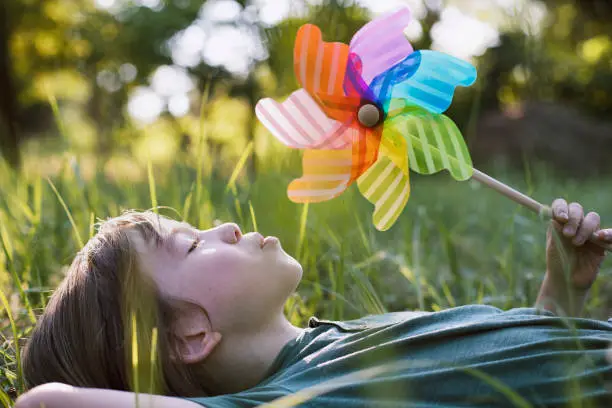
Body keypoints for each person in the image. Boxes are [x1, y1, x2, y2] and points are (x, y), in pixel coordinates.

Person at [14, 198, 612, 408]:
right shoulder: (285, 402)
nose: (223, 225)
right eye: (191, 244)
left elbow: (536, 370)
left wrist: (562, 290)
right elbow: (44, 405)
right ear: (190, 335)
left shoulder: (349, 336)